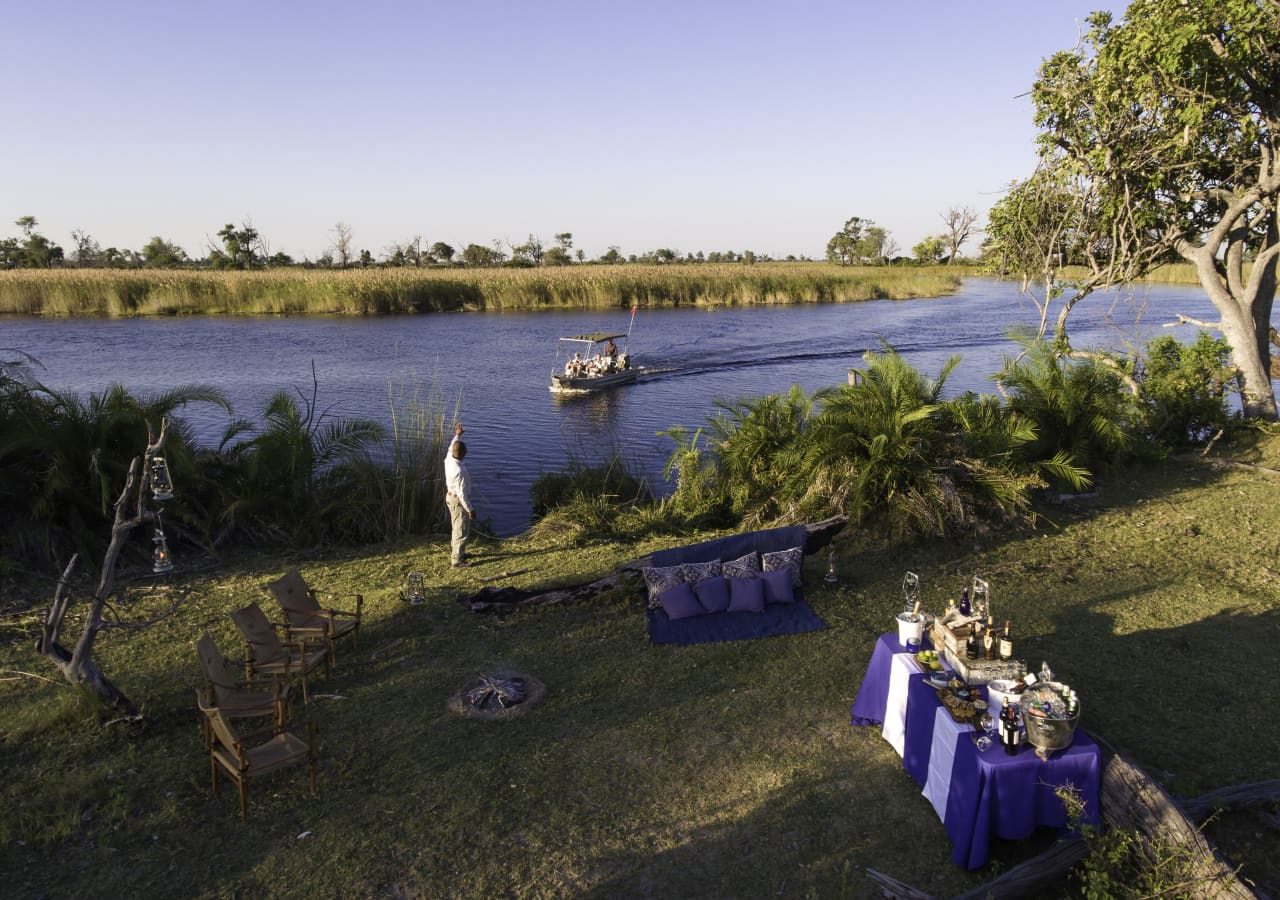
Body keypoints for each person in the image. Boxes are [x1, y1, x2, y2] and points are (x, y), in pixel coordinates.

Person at [444, 422, 475, 567]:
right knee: (460, 530)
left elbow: (452, 446)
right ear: (463, 454)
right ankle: (456, 561)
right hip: (458, 501)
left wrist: (457, 435)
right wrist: (470, 509)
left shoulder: (449, 459)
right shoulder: (460, 472)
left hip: (450, 497)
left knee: (456, 526)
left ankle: (459, 552)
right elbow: (462, 494)